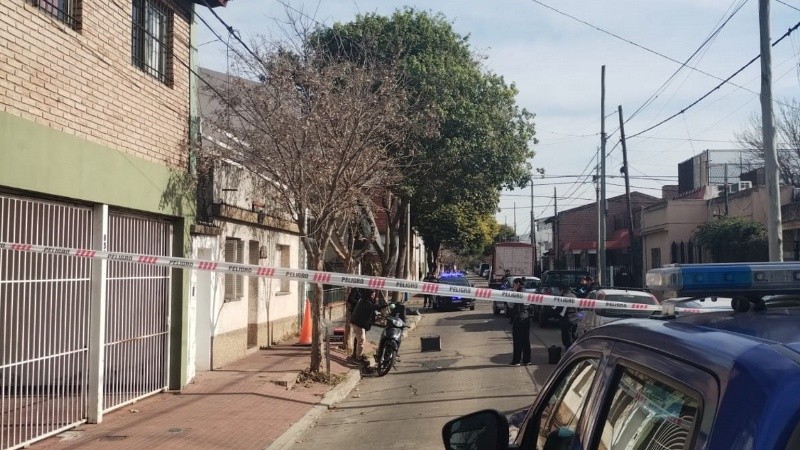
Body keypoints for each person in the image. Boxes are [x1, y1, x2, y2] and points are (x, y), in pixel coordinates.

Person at [350, 289, 386, 361]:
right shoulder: (366, 302)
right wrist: (384, 305)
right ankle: (358, 358)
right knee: (361, 340)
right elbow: (375, 307)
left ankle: (357, 354)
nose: (374, 296)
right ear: (369, 295)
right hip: (358, 323)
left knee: (359, 339)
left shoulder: (363, 300)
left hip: (357, 322)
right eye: (373, 294)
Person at [509, 278, 533, 366]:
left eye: (514, 284)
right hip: (526, 317)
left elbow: (513, 306)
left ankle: (516, 361)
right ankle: (527, 360)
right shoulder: (526, 292)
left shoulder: (518, 294)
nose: (513, 287)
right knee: (526, 340)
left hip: (519, 318)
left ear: (518, 283)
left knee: (517, 340)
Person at [556, 281, 578, 349]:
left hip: (566, 319)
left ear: (562, 289)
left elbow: (559, 309)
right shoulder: (574, 295)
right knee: (573, 335)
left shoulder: (563, 297)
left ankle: (569, 352)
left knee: (567, 338)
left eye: (559, 290)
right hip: (575, 318)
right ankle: (574, 349)